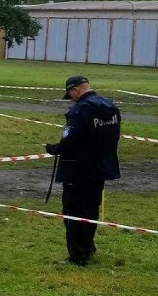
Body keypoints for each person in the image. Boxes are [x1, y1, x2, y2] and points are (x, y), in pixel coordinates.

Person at [44, 75, 121, 266]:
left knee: (74, 212)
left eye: (71, 94)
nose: (71, 99)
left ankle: (78, 256)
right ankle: (88, 246)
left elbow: (69, 143)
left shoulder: (80, 110)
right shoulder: (109, 106)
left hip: (77, 170)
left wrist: (53, 148)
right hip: (100, 168)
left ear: (76, 90)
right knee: (91, 210)